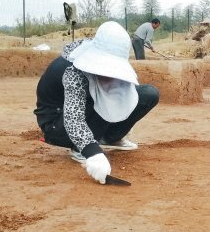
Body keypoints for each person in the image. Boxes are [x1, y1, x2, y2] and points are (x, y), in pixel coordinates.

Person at [33, 22, 160, 184]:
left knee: (148, 94)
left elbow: (123, 93)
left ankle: (110, 138)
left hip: (84, 112)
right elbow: (73, 118)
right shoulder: (73, 70)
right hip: (57, 125)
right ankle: (80, 146)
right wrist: (92, 152)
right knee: (100, 99)